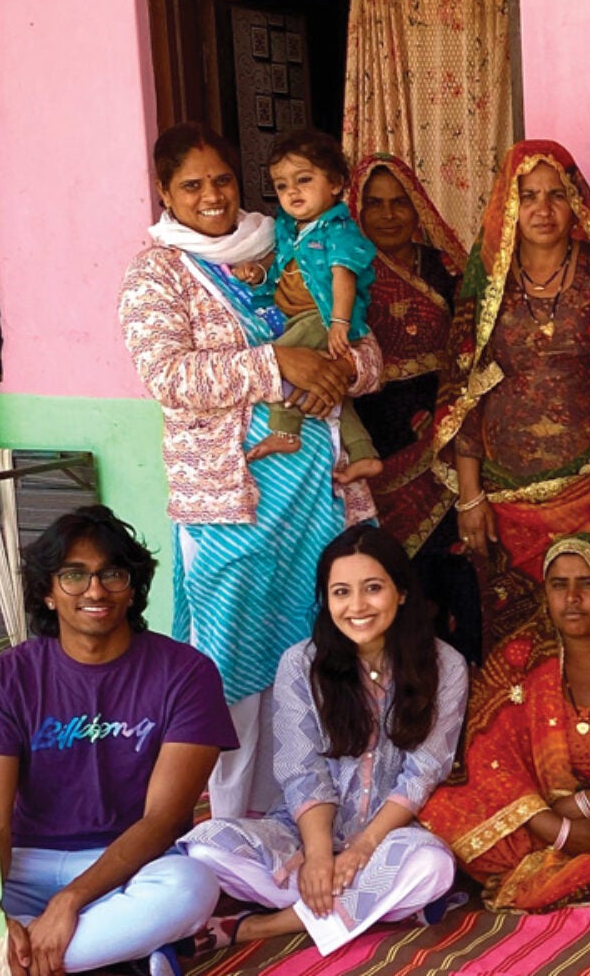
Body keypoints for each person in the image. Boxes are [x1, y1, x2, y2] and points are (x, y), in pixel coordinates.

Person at [120, 123, 382, 816]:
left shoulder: (288, 241)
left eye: (222, 181)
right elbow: (167, 375)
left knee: (325, 647)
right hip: (230, 503)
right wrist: (277, 365)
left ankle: (322, 817)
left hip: (320, 493)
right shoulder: (158, 272)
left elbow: (368, 351)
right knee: (232, 661)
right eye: (192, 186)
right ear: (165, 192)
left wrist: (338, 374)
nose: (212, 196)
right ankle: (236, 821)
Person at [179, 525, 467, 956]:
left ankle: (262, 926)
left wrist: (362, 850)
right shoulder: (301, 663)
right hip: (302, 835)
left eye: (373, 589)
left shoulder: (445, 665)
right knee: (203, 849)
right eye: (341, 592)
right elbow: (301, 770)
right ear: (326, 599)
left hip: (390, 839)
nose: (357, 607)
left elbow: (424, 771)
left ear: (401, 592)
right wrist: (317, 857)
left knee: (433, 867)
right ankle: (370, 906)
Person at [0, 506, 233, 976]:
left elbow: (164, 819)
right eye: (74, 575)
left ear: (133, 588)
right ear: (48, 592)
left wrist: (71, 900)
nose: (95, 590)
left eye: (112, 574)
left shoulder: (186, 673)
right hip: (22, 863)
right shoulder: (6, 677)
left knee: (192, 886)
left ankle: (9, 957)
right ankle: (111, 948)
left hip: (127, 867)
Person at [422, 534, 590, 909]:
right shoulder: (522, 653)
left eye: (588, 583)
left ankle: (549, 874)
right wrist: (557, 828)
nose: (572, 598)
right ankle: (574, 864)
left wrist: (583, 807)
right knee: (438, 809)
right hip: (541, 811)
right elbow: (486, 752)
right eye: (559, 585)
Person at [431, 140, 590, 649]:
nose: (542, 209)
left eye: (556, 195)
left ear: (576, 203)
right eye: (529, 196)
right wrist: (470, 496)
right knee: (514, 632)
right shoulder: (486, 278)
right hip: (504, 493)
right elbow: (464, 391)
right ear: (509, 205)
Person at [346, 153, 481, 664]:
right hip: (379, 441)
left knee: (456, 569)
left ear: (418, 204)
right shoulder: (346, 273)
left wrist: (452, 420)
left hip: (447, 437)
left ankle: (464, 687)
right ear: (357, 210)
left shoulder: (444, 266)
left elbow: (472, 343)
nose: (388, 214)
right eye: (374, 204)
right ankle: (401, 691)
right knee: (395, 575)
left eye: (399, 201)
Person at [244, 129, 381, 479]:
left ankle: (285, 430)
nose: (293, 192)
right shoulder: (290, 228)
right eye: (282, 185)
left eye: (304, 180)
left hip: (322, 318)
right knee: (329, 390)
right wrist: (257, 273)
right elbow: (279, 265)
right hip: (298, 317)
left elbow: (343, 278)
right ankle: (364, 451)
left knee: (276, 359)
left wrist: (338, 323)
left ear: (335, 183)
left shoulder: (338, 230)